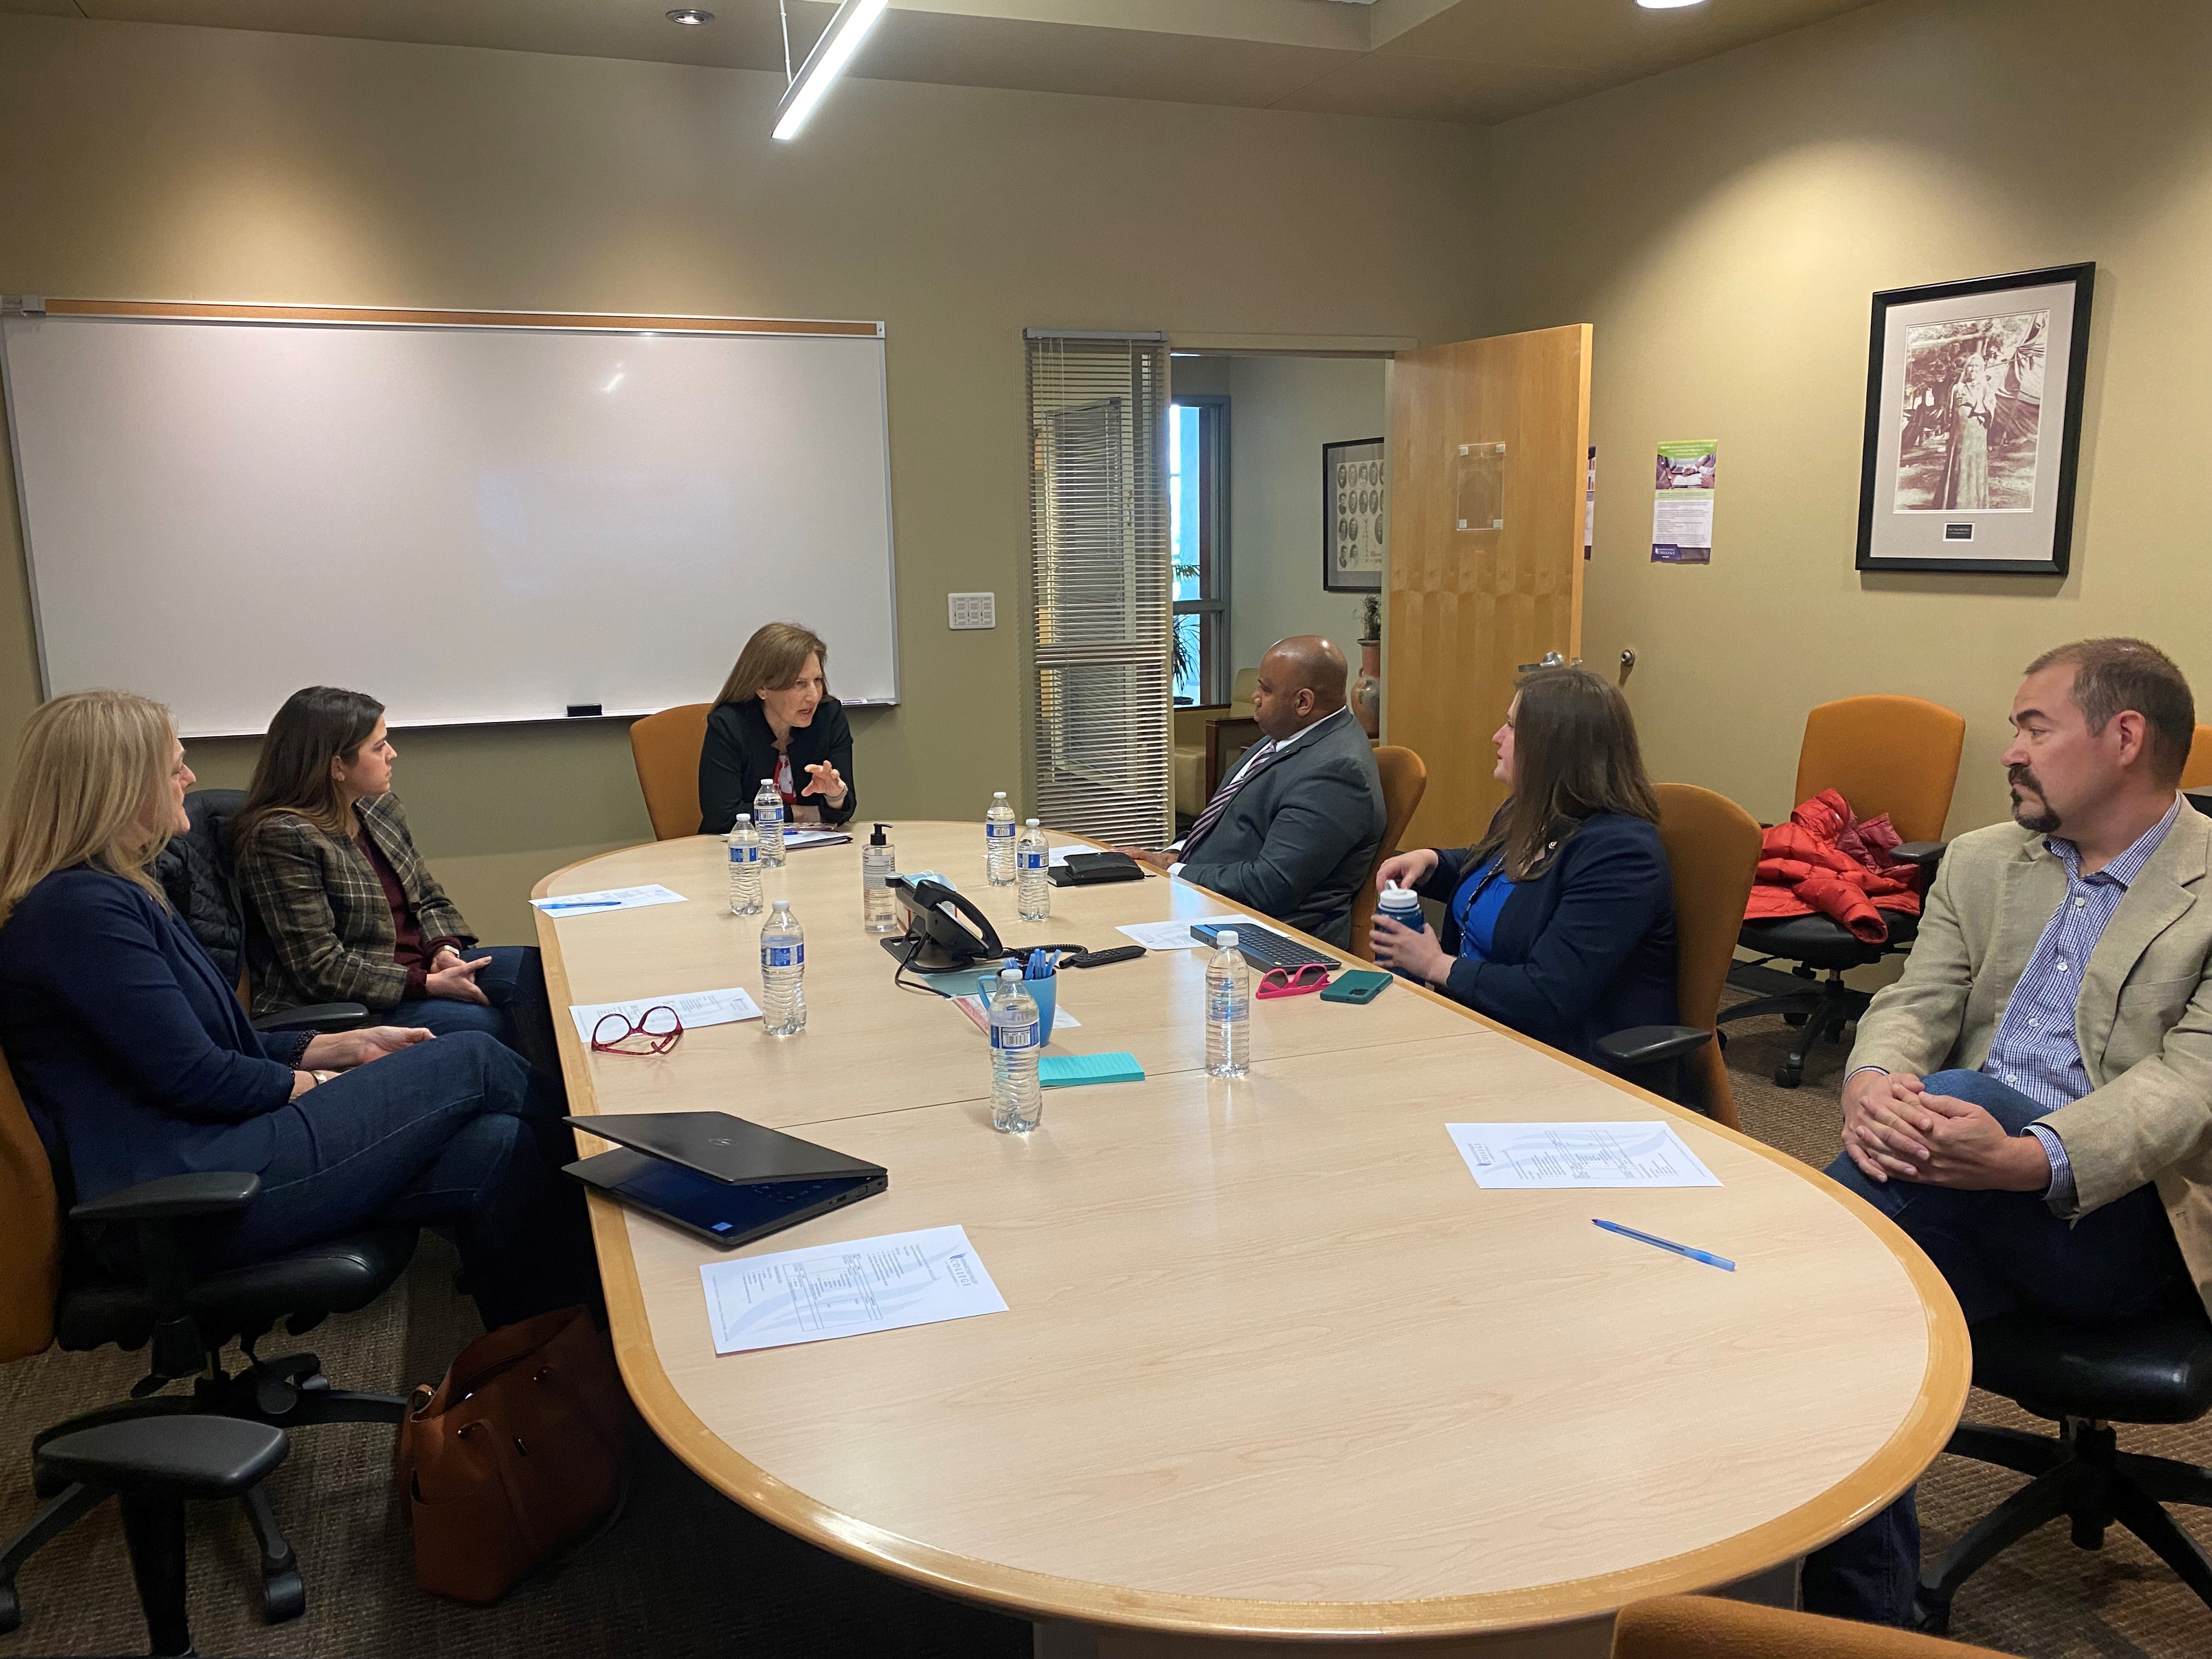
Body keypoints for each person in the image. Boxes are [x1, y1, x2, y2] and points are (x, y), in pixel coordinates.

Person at [1804, 638, 2212, 1627]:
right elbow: (1916, 996)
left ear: (2124, 737)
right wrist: (1870, 1082)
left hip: (2132, 1221)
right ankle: (1859, 1619)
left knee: (1933, 1130)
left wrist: (2029, 1157)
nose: (2008, 750)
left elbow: (2189, 1085)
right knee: (1850, 1326)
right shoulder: (1986, 860)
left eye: (2034, 725)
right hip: (1956, 1183)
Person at [0, 691, 589, 1330]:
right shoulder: (79, 915)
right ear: (117, 786)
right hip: (187, 1189)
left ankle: (556, 1344)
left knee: (496, 1145)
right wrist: (324, 1085)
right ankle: (625, 1186)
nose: (191, 779)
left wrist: (342, 1047)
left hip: (225, 1151)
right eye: (174, 766)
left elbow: (210, 1042)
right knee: (472, 1059)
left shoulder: (119, 893)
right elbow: (197, 1077)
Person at [230, 687, 560, 1085]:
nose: (393, 754)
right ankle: (548, 1123)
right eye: (379, 746)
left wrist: (443, 950)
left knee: (535, 971)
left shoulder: (377, 809)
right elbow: (319, 968)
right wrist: (427, 984)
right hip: (357, 1001)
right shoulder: (282, 837)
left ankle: (564, 1109)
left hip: (419, 969)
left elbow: (428, 896)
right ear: (337, 766)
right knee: (484, 1024)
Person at [1370, 665, 1678, 1068]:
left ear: (1553, 748)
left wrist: (1435, 965)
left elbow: (1550, 994)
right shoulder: (1530, 811)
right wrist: (1433, 863)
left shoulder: (1620, 855)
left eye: (1512, 727)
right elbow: (1504, 878)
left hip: (1560, 1060)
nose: (1497, 737)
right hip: (1475, 1028)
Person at [1113, 636, 1384, 949]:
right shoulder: (1287, 736)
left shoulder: (1336, 772)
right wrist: (1173, 853)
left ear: (1303, 702)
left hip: (1265, 936)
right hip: (1209, 903)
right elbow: (1226, 819)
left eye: (1265, 689)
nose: (1255, 697)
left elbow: (1272, 885)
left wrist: (1172, 870)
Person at [698, 622, 855, 836]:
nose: (813, 696)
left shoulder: (829, 717)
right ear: (762, 687)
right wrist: (802, 814)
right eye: (799, 683)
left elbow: (843, 810)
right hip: (740, 855)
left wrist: (834, 797)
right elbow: (723, 818)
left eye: (817, 680)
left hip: (811, 852)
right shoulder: (728, 725)